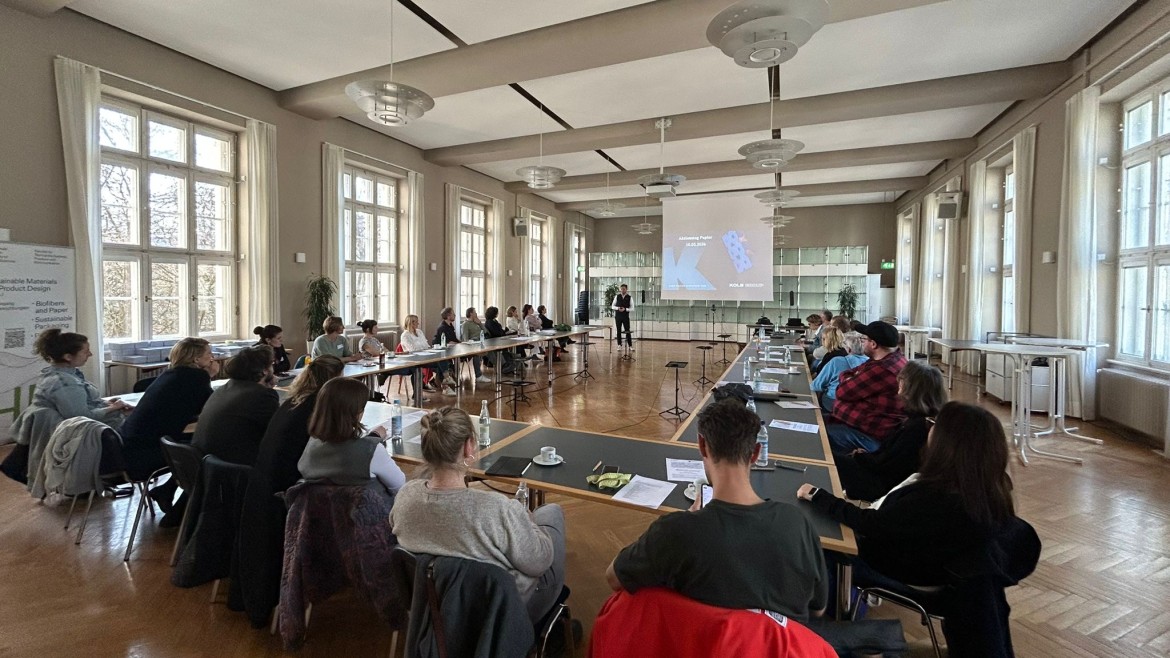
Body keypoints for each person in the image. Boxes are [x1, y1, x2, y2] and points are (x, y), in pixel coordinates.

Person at [796, 402, 1017, 652]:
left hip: (901, 571)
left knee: (814, 543)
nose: (928, 430)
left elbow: (871, 525)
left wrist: (819, 496)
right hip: (932, 570)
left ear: (948, 443)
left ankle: (811, 627)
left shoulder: (938, 498)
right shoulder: (988, 492)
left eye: (934, 425)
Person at [607, 399, 827, 621]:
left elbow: (613, 577)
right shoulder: (797, 524)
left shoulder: (674, 532)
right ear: (756, 453)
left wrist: (686, 520)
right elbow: (818, 609)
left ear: (702, 445)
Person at [390, 407, 566, 624]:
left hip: (431, 608)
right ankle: (551, 626)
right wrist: (530, 524)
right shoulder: (498, 509)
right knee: (551, 513)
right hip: (499, 614)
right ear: (468, 447)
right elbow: (540, 561)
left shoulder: (405, 496)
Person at [236, 355, 345, 627]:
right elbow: (333, 451)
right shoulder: (316, 407)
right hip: (288, 496)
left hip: (263, 489)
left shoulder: (294, 401)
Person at [119, 337, 219, 510]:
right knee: (209, 450)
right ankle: (183, 505)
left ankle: (168, 491)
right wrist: (209, 375)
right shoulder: (197, 377)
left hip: (128, 445)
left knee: (200, 444)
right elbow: (213, 408)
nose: (212, 358)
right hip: (146, 452)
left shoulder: (170, 373)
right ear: (196, 359)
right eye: (209, 354)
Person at [835, 361, 947, 502]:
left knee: (833, 460)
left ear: (909, 390)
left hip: (884, 486)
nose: (898, 390)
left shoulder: (917, 428)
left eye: (901, 384)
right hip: (888, 477)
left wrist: (861, 457)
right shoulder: (927, 420)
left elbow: (887, 465)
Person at [298, 377, 406, 492]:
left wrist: (373, 438)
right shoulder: (372, 451)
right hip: (365, 503)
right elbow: (399, 486)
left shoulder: (312, 444)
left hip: (319, 503)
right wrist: (372, 442)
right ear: (356, 412)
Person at [826, 320, 907, 454]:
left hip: (868, 435)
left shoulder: (883, 369)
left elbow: (842, 391)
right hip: (859, 426)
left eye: (863, 339)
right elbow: (847, 373)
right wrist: (850, 377)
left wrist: (850, 378)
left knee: (816, 435)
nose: (862, 343)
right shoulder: (889, 359)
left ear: (873, 344)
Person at [192, 345, 280, 466]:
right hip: (235, 468)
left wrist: (264, 387)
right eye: (271, 365)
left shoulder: (223, 389)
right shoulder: (263, 396)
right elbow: (279, 431)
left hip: (205, 464)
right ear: (265, 370)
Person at [25, 328, 130, 427]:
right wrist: (113, 408)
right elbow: (81, 418)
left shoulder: (58, 374)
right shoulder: (64, 383)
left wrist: (105, 404)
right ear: (68, 357)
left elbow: (78, 404)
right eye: (85, 352)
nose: (90, 354)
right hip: (87, 430)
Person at [810, 332, 867, 413]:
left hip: (833, 403)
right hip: (859, 406)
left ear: (849, 349)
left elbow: (816, 385)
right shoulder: (871, 363)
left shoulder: (837, 361)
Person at [397, 313, 433, 392]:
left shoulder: (419, 332)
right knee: (419, 369)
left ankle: (443, 381)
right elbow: (412, 349)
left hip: (424, 355)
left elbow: (426, 345)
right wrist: (424, 349)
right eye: (416, 322)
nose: (418, 323)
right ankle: (426, 384)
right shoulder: (405, 335)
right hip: (412, 359)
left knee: (442, 361)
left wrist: (426, 349)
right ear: (411, 323)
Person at [431, 307, 460, 396]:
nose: (455, 315)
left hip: (449, 350)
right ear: (448, 316)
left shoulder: (450, 326)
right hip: (440, 351)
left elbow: (454, 339)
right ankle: (445, 383)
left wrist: (462, 343)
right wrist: (459, 344)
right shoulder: (442, 327)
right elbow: (448, 342)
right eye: (453, 314)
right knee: (443, 361)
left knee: (444, 362)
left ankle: (439, 382)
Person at [459, 308, 492, 384]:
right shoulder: (465, 324)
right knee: (476, 354)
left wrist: (480, 323)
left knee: (492, 350)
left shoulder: (476, 323)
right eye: (475, 312)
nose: (476, 313)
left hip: (481, 343)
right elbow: (465, 339)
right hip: (471, 346)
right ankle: (478, 376)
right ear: (471, 313)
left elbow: (486, 332)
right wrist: (474, 340)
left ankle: (503, 366)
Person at [482, 306, 515, 375]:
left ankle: (510, 363)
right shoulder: (489, 322)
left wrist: (505, 331)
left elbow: (499, 330)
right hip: (495, 341)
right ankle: (505, 365)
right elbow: (496, 333)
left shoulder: (494, 321)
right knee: (506, 346)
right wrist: (503, 333)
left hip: (500, 338)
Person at [611, 284, 633, 350]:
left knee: (627, 330)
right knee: (618, 330)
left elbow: (632, 308)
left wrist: (625, 309)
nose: (622, 290)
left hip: (625, 316)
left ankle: (630, 345)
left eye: (624, 289)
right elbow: (612, 306)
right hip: (618, 316)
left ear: (626, 289)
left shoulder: (629, 297)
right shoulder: (617, 296)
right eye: (621, 289)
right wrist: (618, 308)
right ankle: (619, 345)